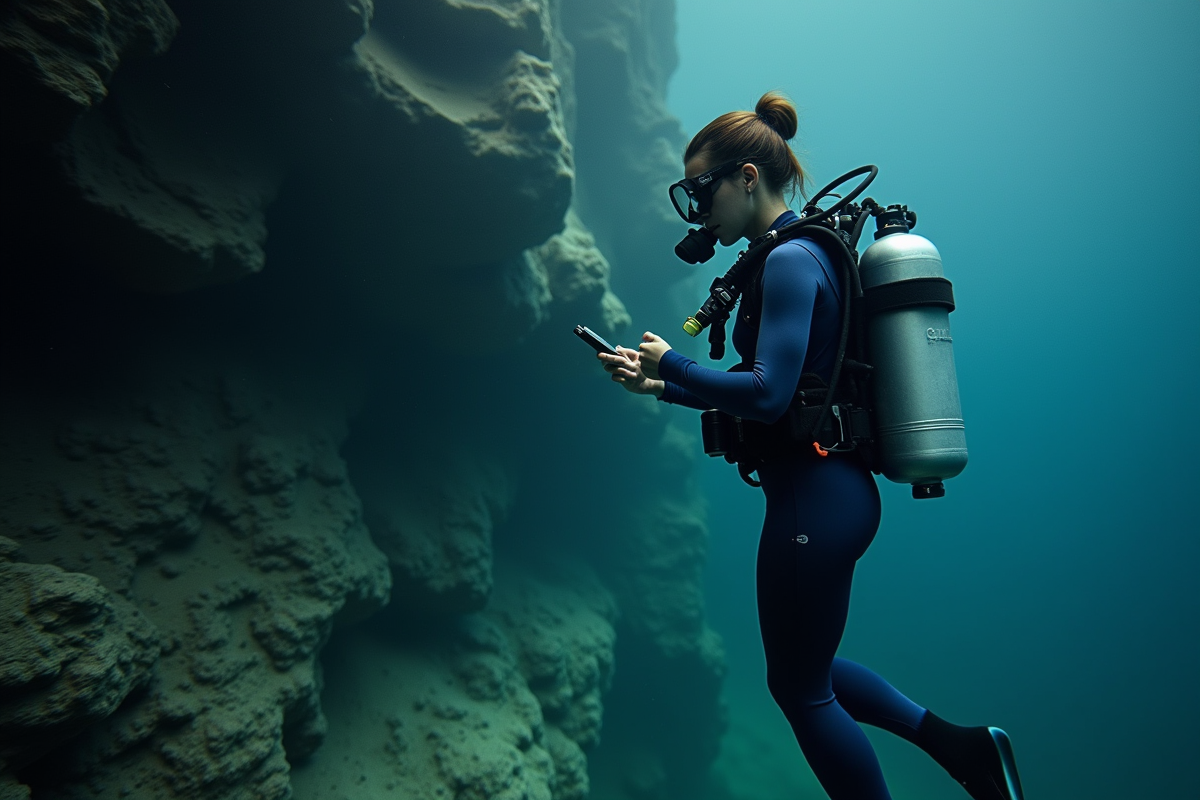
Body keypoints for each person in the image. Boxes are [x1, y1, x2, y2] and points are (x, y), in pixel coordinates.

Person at [596, 92, 1024, 800]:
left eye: (701, 190)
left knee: (801, 694)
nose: (696, 210)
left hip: (814, 504)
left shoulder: (791, 261)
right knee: (807, 674)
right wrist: (661, 387)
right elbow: (780, 392)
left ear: (746, 178)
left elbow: (765, 393)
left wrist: (673, 362)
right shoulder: (790, 255)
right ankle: (966, 749)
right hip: (830, 494)